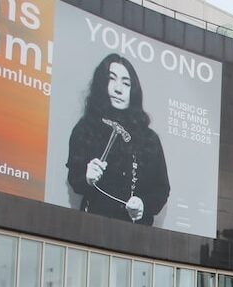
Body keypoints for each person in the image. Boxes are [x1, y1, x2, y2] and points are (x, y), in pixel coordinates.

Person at [66, 53, 170, 225]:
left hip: (137, 234)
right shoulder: (86, 128)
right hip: (94, 226)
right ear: (102, 83)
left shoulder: (150, 139)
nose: (118, 89)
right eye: (112, 79)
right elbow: (75, 179)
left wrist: (143, 205)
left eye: (126, 83)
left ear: (133, 90)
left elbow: (162, 188)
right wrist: (87, 177)